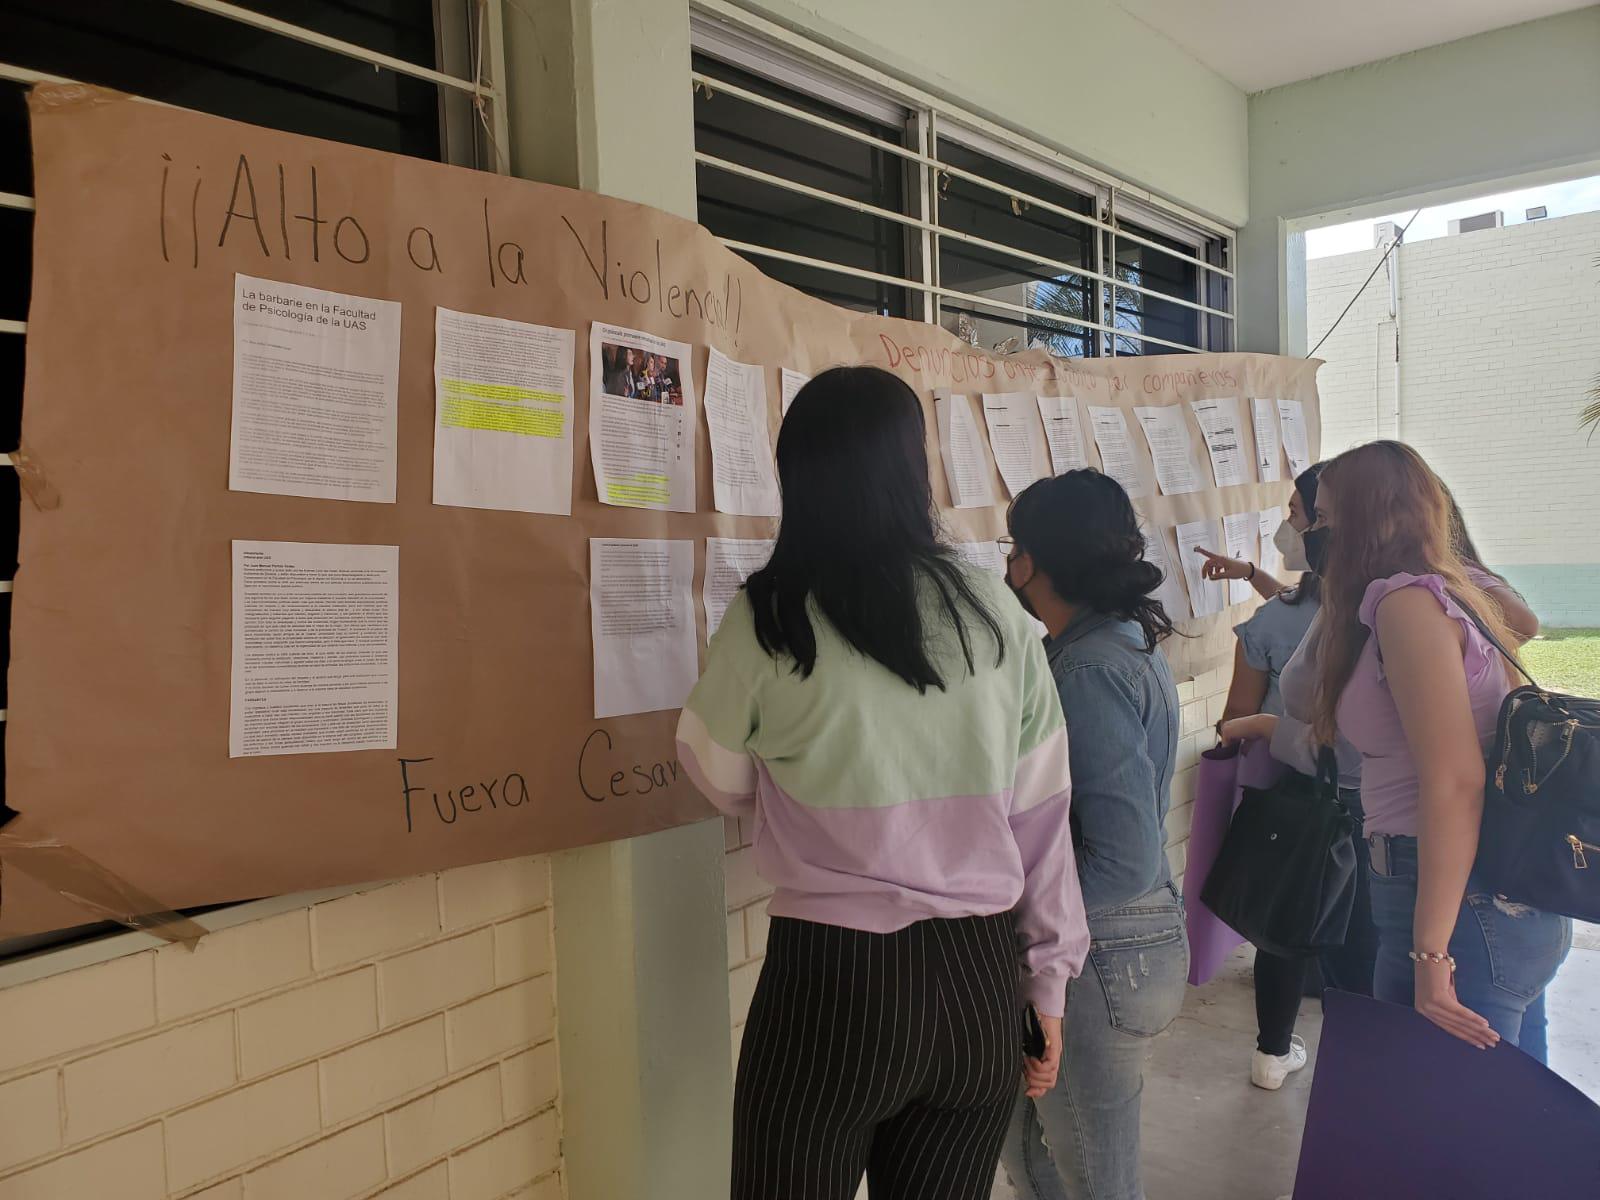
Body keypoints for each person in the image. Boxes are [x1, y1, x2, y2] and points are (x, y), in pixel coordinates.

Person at [676, 365, 1089, 1200]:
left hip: (830, 985)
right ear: (914, 469)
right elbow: (1043, 819)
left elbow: (709, 769)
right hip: (978, 984)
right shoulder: (997, 613)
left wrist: (797, 795)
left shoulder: (770, 618)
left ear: (799, 475)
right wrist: (1047, 983)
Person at [1302, 440, 1570, 1056]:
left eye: (1323, 516)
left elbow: (1454, 781)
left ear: (1368, 517)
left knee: (1455, 1132)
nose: (1315, 532)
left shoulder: (1409, 606)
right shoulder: (1448, 593)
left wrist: (1431, 956)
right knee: (1510, 1122)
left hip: (1455, 902)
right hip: (1486, 897)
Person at [997, 470, 1186, 1200]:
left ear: (1035, 562)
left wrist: (1023, 907)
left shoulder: (1088, 668)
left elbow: (1122, 852)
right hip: (1110, 946)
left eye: (1014, 549)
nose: (1008, 567)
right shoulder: (1111, 642)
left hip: (1100, 952)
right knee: (1027, 1144)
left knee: (1095, 1176)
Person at [1213, 464, 1375, 1092]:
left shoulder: (1323, 615)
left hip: (1305, 796)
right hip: (1355, 810)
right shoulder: (1342, 606)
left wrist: (1258, 725)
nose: (1293, 527)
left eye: (1304, 515)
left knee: (1288, 927)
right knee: (1357, 938)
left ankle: (1273, 1050)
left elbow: (1241, 712)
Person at [1193, 464, 1321, 599]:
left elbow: (1295, 608)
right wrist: (1250, 572)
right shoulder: (1321, 586)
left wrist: (1250, 572)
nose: (1288, 524)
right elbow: (1293, 601)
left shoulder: (1336, 601)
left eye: (1294, 513)